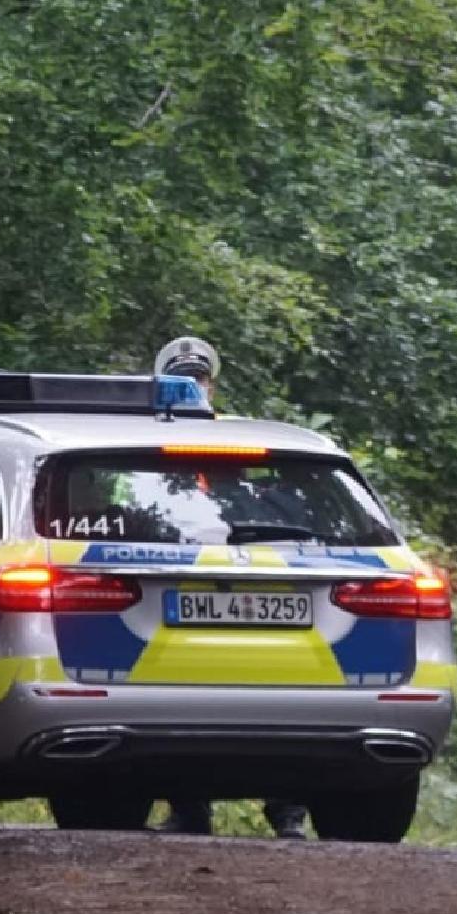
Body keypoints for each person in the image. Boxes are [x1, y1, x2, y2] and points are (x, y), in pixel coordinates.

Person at [148, 335, 310, 843]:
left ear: (211, 383)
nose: (193, 386)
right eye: (183, 378)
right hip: (182, 569)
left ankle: (288, 813)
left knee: (282, 696)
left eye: (198, 378)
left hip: (249, 569)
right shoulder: (141, 437)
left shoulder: (234, 437)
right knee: (177, 698)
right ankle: (189, 808)